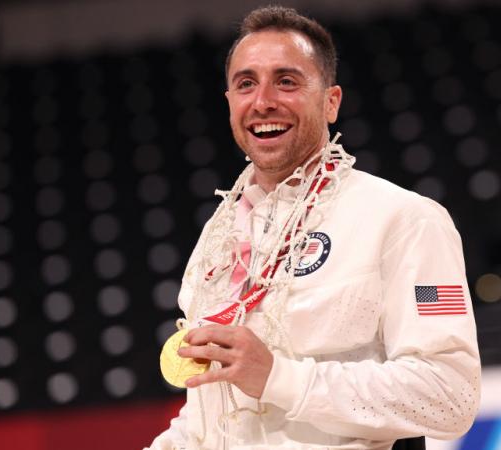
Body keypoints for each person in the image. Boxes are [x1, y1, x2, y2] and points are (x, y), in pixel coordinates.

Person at [146, 6, 480, 450]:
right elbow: (211, 412)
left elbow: (449, 396)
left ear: (331, 101)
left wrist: (278, 377)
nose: (263, 101)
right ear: (229, 103)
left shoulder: (406, 220)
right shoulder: (220, 236)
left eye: (286, 81)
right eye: (246, 83)